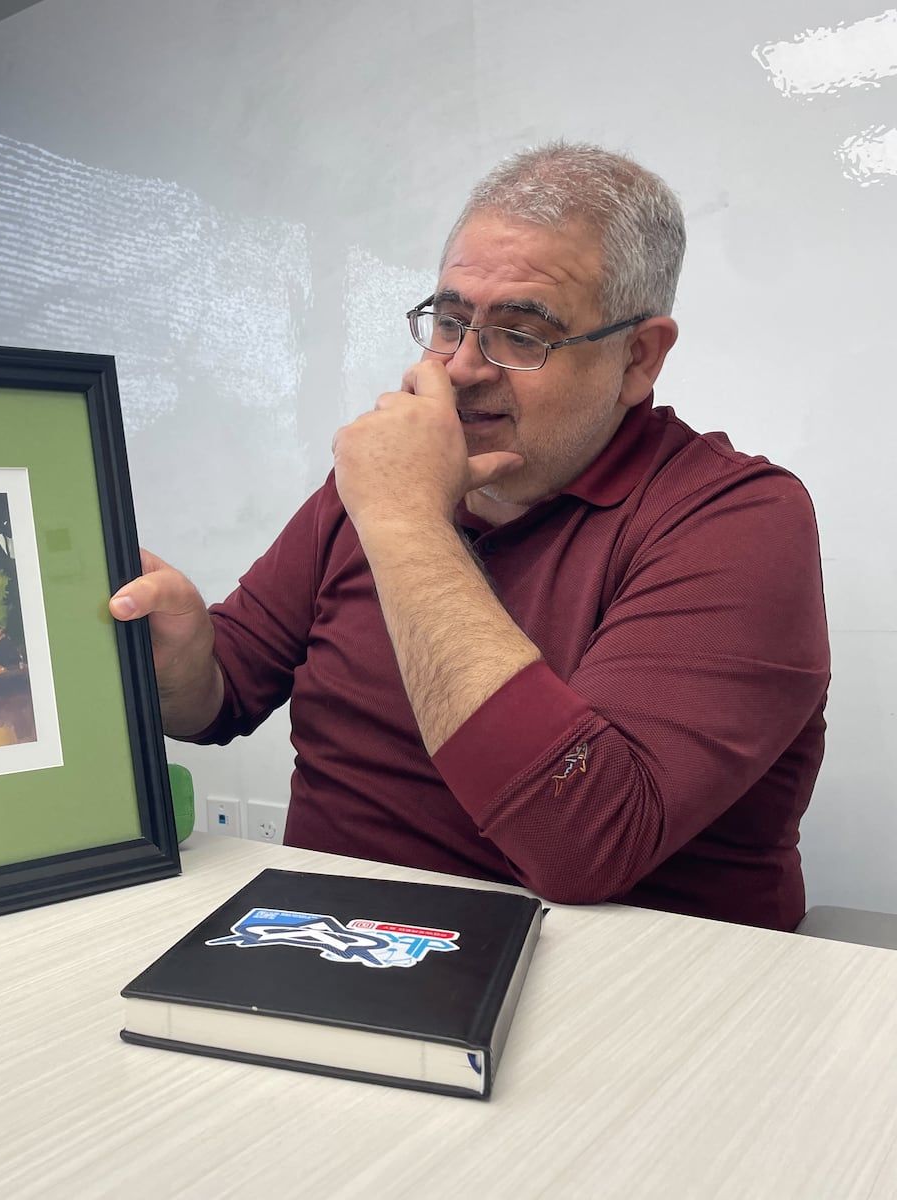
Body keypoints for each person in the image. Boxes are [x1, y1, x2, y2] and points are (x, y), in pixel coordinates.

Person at [109, 142, 830, 931]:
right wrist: (182, 662)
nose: (458, 369)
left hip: (628, 994)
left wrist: (407, 521)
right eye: (449, 321)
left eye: (521, 334)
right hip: (332, 948)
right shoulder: (384, 485)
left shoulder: (738, 518)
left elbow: (584, 844)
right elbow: (224, 694)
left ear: (637, 357)